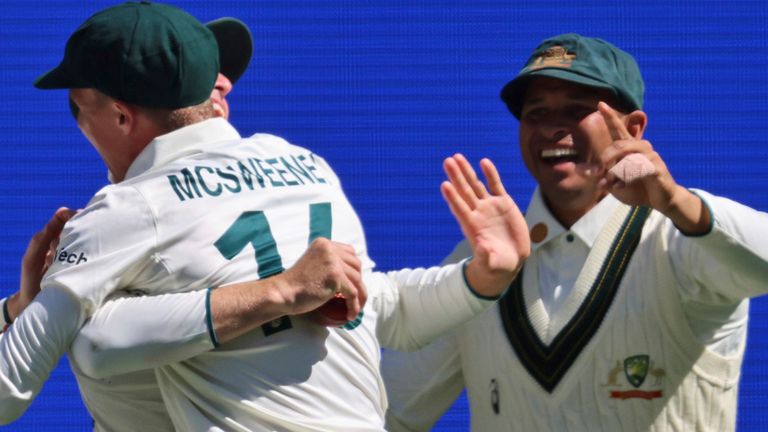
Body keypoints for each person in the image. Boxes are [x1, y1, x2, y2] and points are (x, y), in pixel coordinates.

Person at [0, 2, 530, 431]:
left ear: (119, 113)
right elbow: (379, 308)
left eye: (77, 107)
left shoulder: (123, 208)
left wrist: (27, 311)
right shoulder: (307, 166)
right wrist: (480, 280)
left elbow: (9, 387)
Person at [382, 33, 768, 431]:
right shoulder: (484, 263)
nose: (552, 129)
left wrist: (676, 203)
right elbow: (383, 413)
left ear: (633, 128)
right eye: (536, 113)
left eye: (577, 109)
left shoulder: (679, 240)